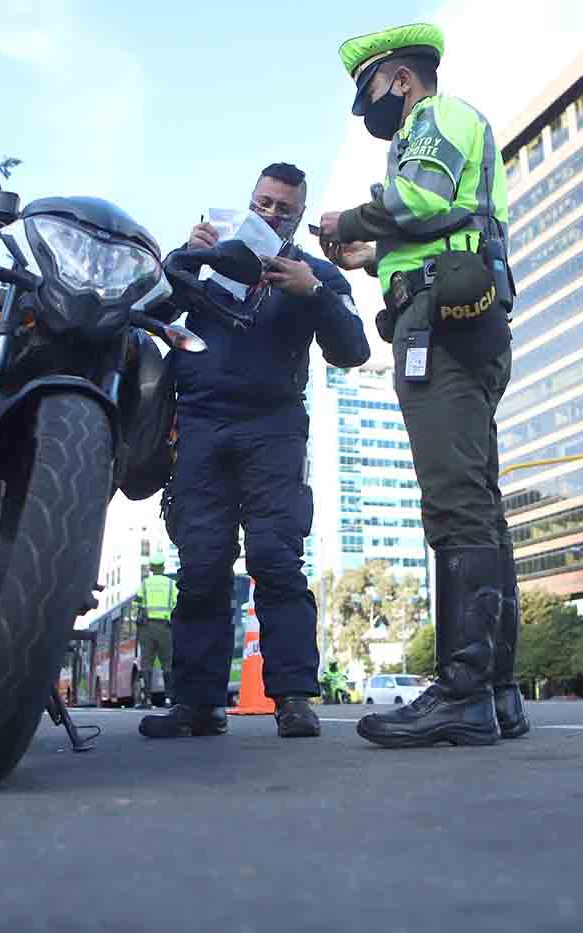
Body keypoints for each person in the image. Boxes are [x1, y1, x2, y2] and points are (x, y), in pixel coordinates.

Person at [316, 23, 529, 747]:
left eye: (370, 92)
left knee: (454, 500)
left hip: (439, 324)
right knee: (479, 499)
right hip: (465, 314)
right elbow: (441, 222)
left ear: (400, 79)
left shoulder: (433, 118)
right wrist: (374, 254)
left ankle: (462, 693)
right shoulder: (457, 121)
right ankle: (496, 690)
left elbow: (420, 198)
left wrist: (348, 218)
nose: (368, 110)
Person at [140, 162, 370, 740]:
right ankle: (196, 704)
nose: (269, 215)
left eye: (283, 210)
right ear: (250, 200)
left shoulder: (312, 273)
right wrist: (184, 259)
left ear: (297, 217)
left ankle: (293, 699)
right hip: (199, 424)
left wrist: (313, 293)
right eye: (263, 203)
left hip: (273, 428)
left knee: (275, 558)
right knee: (200, 565)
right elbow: (151, 313)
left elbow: (353, 350)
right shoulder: (208, 259)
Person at [136, 556, 176, 707]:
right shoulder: (172, 585)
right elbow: (177, 605)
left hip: (147, 628)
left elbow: (137, 605)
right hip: (166, 628)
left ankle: (146, 699)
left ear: (151, 569)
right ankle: (168, 698)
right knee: (168, 663)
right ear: (163, 568)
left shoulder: (145, 585)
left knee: (146, 663)